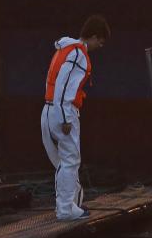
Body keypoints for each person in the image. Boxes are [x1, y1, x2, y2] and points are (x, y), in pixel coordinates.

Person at [41, 15, 109, 221]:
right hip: (63, 110)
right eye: (101, 41)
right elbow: (64, 85)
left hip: (48, 108)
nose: (101, 45)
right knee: (70, 160)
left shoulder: (63, 50)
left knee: (63, 162)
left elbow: (53, 83)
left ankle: (71, 203)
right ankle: (65, 209)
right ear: (94, 36)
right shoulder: (79, 55)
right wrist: (65, 118)